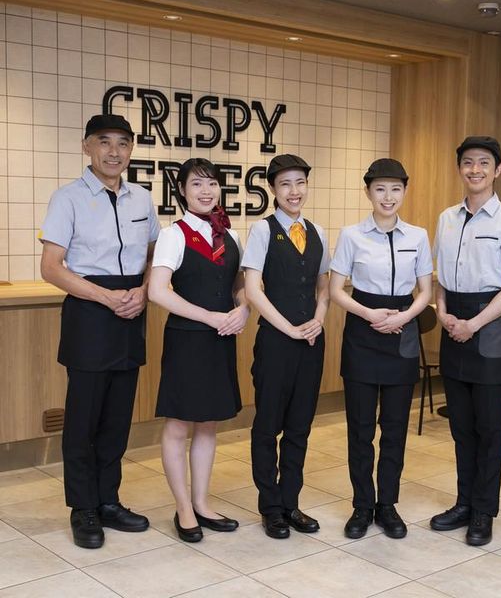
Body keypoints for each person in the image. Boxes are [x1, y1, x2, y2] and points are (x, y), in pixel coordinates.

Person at [40, 114, 159, 549]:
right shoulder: (67, 198)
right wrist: (106, 298)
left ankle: (109, 500)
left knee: (116, 418)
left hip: (132, 311)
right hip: (90, 312)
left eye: (123, 143)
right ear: (86, 146)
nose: (114, 151)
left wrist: (144, 291)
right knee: (84, 419)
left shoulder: (142, 199)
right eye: (104, 142)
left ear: (131, 150)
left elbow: (154, 255)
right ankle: (83, 508)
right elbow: (51, 267)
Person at [428, 136, 501, 546]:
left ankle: (484, 511)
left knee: (489, 427)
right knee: (461, 425)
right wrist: (443, 313)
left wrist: (474, 323)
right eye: (468, 162)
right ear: (460, 168)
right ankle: (464, 502)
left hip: (490, 326)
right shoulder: (446, 218)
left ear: (497, 169)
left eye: (484, 162)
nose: (475, 169)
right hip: (454, 323)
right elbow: (439, 277)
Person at [329, 159, 433, 539]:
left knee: (394, 427)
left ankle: (387, 504)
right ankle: (362, 505)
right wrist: (369, 313)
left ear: (404, 191)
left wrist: (402, 317)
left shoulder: (418, 236)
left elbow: (426, 291)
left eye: (395, 189)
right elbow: (337, 290)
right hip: (362, 329)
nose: (388, 197)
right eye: (380, 189)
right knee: (360, 428)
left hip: (402, 331)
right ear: (368, 192)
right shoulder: (351, 235)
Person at [148, 158, 248, 542]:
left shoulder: (230, 235)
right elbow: (158, 291)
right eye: (196, 184)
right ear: (182, 191)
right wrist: (209, 316)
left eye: (212, 183)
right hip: (187, 340)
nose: (206, 191)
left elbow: (240, 285)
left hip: (221, 340)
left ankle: (202, 503)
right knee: (178, 425)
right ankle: (183, 508)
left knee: (208, 423)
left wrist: (243, 309)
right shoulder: (173, 235)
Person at [243, 154, 330, 539]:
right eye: (285, 184)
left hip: (311, 341)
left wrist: (318, 320)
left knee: (300, 426)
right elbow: (252, 290)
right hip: (276, 341)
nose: (294, 191)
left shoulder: (318, 231)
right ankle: (271, 506)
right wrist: (290, 329)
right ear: (273, 190)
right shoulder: (262, 231)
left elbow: (324, 287)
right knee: (267, 426)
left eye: (300, 183)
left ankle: (291, 503)